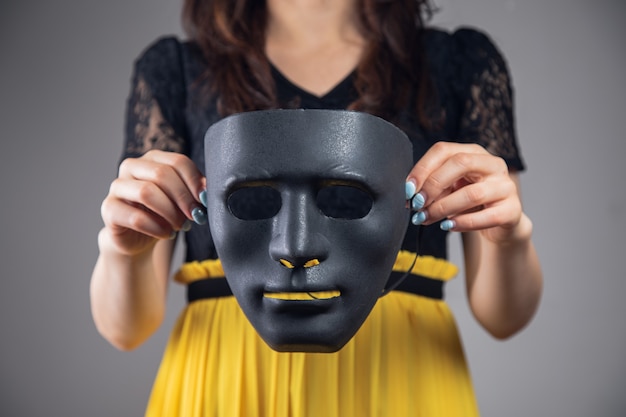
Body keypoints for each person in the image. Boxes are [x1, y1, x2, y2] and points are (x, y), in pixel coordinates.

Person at [90, 0, 543, 415]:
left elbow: (502, 317)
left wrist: (510, 236)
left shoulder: (458, 64)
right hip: (229, 384)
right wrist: (123, 250)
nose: (296, 244)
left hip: (401, 378)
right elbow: (126, 328)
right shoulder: (178, 69)